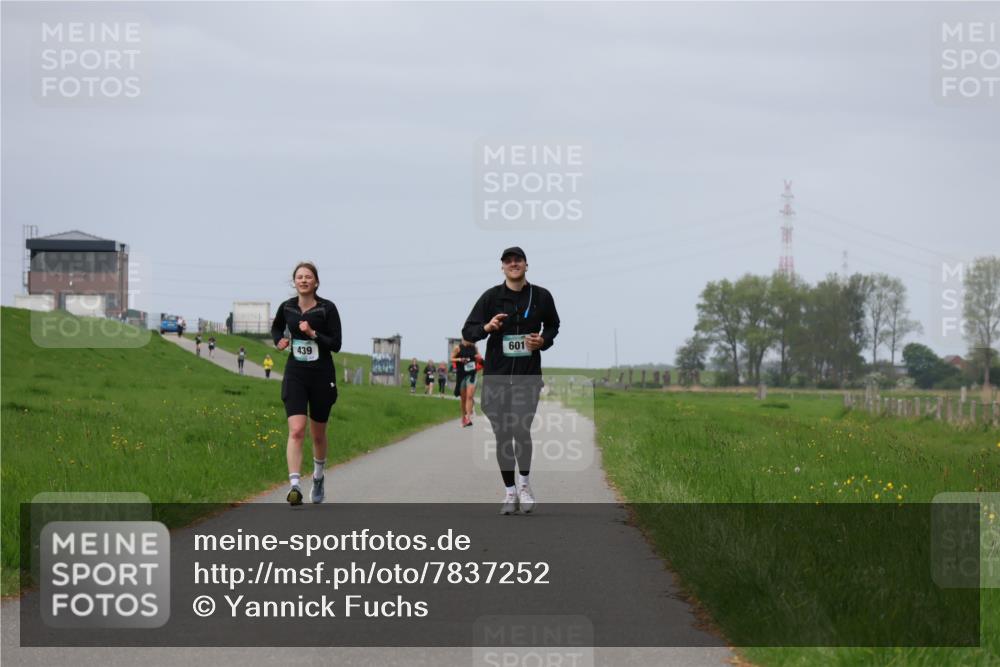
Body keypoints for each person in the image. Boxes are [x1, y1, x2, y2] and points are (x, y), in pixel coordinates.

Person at [462, 246, 560, 515]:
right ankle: (509, 492)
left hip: (528, 376)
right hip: (497, 376)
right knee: (503, 435)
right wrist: (487, 328)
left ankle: (525, 486)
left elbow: (553, 325)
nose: (513, 264)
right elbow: (467, 330)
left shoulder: (541, 296)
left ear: (527, 265)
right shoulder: (491, 298)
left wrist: (544, 340)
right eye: (508, 261)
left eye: (518, 260)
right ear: (502, 267)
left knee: (520, 430)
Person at [271, 261, 341, 506]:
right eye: (299, 277)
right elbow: (277, 327)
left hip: (321, 374)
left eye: (308, 277)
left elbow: (336, 343)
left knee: (318, 434)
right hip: (296, 373)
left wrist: (313, 334)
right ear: (294, 282)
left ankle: (318, 477)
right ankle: (294, 486)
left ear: (316, 282)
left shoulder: (327, 309)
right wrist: (279, 340)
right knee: (297, 430)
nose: (303, 280)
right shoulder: (287, 307)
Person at [451, 339, 479, 427]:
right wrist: (460, 359)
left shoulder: (474, 347)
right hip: (462, 375)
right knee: (463, 398)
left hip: (472, 374)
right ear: (463, 338)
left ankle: (468, 418)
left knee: (470, 396)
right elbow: (451, 358)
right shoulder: (458, 348)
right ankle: (463, 418)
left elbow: (478, 357)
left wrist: (477, 358)